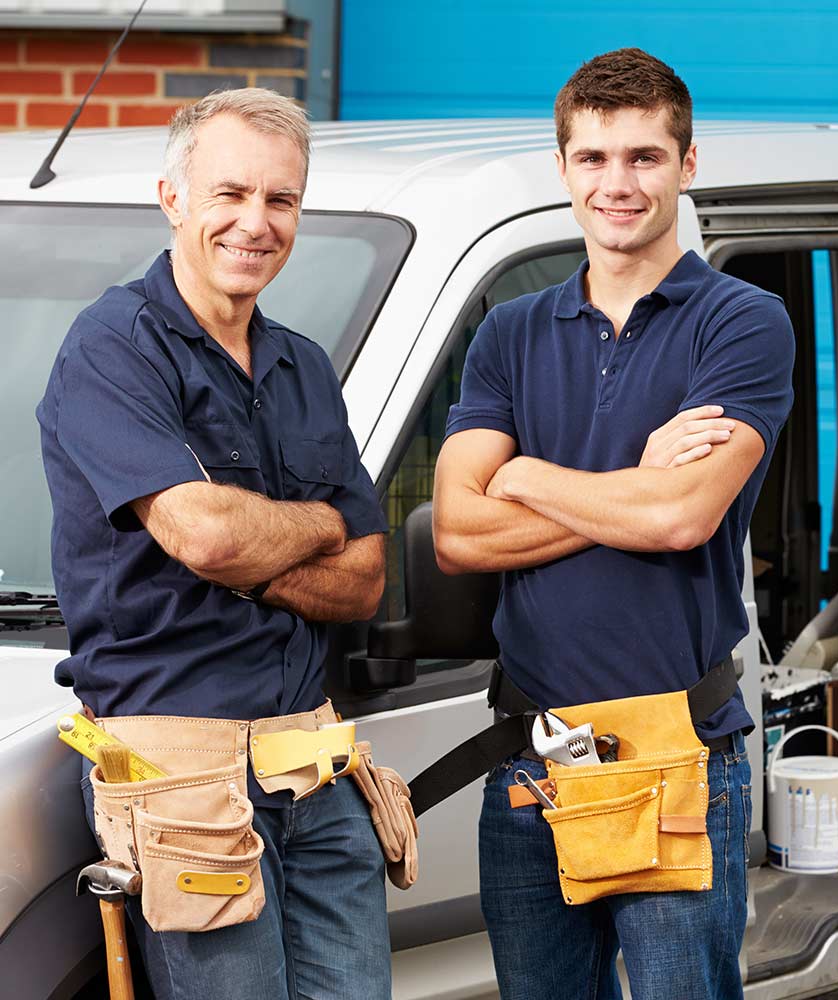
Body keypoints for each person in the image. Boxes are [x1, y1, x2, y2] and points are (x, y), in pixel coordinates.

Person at [432, 48, 794, 1000]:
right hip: (531, 763)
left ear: (687, 163)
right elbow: (457, 535)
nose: (617, 183)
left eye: (643, 156)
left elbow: (680, 517)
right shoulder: (509, 332)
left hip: (677, 751)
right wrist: (629, 480)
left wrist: (525, 473)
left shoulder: (742, 322)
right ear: (563, 168)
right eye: (593, 158)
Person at [37, 89, 391, 999]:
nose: (255, 223)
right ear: (173, 198)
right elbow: (206, 538)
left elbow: (364, 581)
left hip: (311, 765)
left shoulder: (303, 365)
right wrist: (315, 523)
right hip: (179, 777)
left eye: (281, 200)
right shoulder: (112, 348)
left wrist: (253, 541)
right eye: (229, 193)